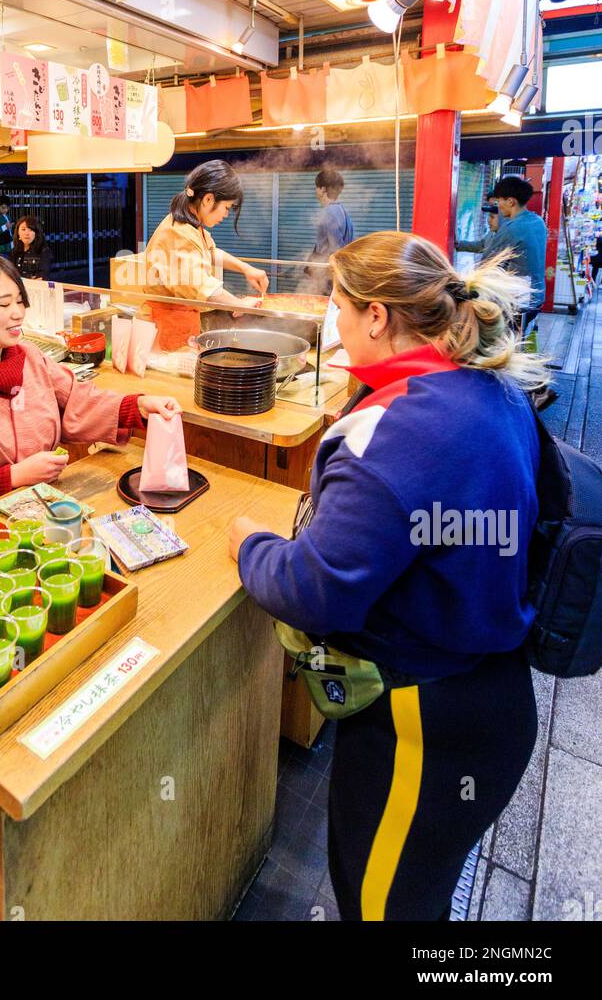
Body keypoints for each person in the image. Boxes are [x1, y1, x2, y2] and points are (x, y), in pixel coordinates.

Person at [228, 231, 546, 921]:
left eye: (339, 307)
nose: (334, 325)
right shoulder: (488, 387)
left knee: (381, 906)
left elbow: (316, 590)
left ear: (377, 316)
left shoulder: (398, 432)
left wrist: (250, 544)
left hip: (426, 724)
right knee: (417, 900)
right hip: (494, 694)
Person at [0, 251, 179, 520]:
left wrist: (137, 405)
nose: (18, 313)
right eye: (4, 305)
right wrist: (12, 477)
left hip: (51, 510)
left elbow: (76, 401)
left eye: (20, 302)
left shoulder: (30, 358)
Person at [143, 160, 269, 349]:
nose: (226, 215)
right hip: (166, 327)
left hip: (181, 322)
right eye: (226, 208)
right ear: (208, 199)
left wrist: (246, 269)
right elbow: (201, 285)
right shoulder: (180, 232)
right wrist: (238, 305)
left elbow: (210, 252)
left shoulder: (191, 226)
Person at [483, 176, 547, 329]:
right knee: (518, 340)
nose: (498, 207)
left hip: (517, 301)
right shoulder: (538, 222)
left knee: (506, 345)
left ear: (511, 202)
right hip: (536, 296)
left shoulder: (513, 228)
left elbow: (488, 264)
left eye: (499, 202)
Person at [302, 166, 354, 295]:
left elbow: (336, 248)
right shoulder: (342, 211)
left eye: (316, 187)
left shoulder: (329, 212)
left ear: (323, 189)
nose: (315, 190)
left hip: (328, 277)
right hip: (334, 274)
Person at [455, 192, 500, 260]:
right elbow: (482, 245)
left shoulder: (507, 236)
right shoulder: (493, 232)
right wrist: (458, 244)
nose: (488, 220)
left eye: (492, 217)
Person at [12, 213, 52, 280]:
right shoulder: (14, 252)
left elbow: (42, 276)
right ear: (18, 233)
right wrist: (29, 277)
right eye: (23, 229)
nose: (27, 233)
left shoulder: (44, 251)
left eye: (31, 230)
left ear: (36, 233)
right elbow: (10, 274)